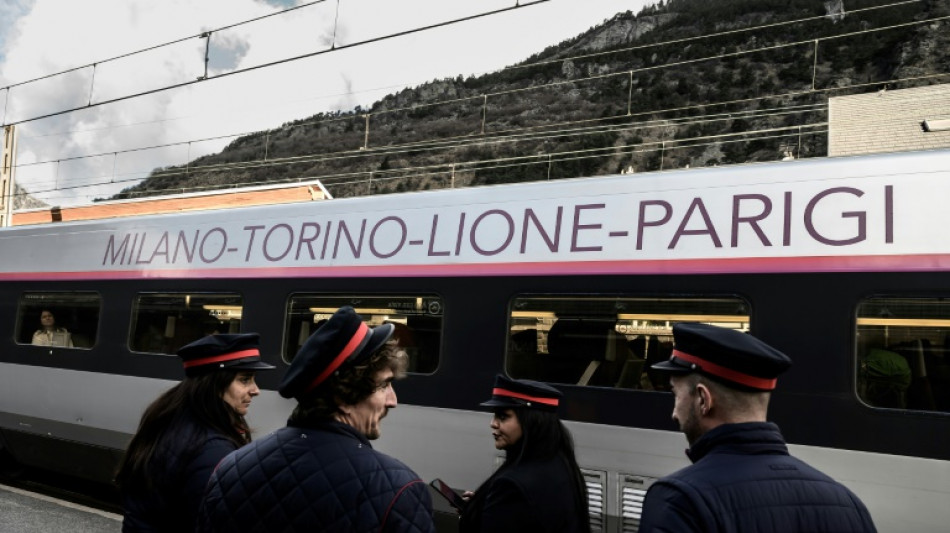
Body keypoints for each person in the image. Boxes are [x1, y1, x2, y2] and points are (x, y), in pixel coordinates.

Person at [197, 306, 435, 533]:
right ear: (343, 395)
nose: (393, 401)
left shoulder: (229, 468)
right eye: (383, 385)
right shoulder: (400, 490)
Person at [638, 323, 877, 532]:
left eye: (675, 394)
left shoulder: (680, 502)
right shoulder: (848, 505)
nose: (674, 413)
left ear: (703, 399)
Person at [115, 333, 275, 533]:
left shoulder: (168, 418)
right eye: (244, 380)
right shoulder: (212, 449)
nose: (255, 390)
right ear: (214, 384)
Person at [458, 374, 591, 533]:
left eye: (503, 416)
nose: (493, 423)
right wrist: (483, 505)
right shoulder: (563, 465)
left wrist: (470, 519)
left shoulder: (511, 486)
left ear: (531, 421)